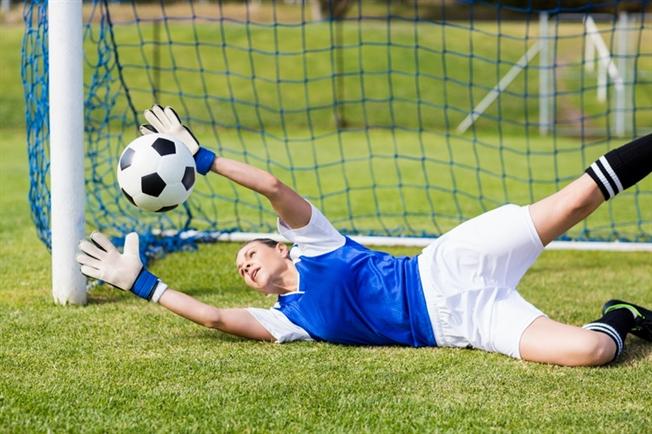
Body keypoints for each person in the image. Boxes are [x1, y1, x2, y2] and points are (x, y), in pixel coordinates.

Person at [76, 105, 652, 367]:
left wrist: (203, 157)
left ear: (279, 246)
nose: (243, 264)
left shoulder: (317, 243)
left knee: (576, 199)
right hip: (465, 326)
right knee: (592, 350)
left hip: (446, 267)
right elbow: (215, 318)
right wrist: (142, 282)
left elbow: (275, 188)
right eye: (241, 270)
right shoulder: (288, 319)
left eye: (248, 251)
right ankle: (622, 312)